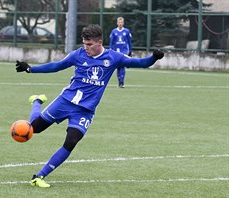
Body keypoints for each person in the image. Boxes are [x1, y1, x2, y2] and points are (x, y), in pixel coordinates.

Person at [15, 24, 164, 188]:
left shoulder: (114, 58)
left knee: (71, 141)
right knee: (34, 129)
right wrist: (31, 69)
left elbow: (140, 63)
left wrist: (153, 58)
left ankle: (39, 176)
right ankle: (37, 101)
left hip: (85, 111)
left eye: (89, 44)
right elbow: (57, 66)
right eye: (84, 44)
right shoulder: (78, 55)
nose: (86, 48)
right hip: (65, 101)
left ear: (99, 42)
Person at [109, 17, 132, 88]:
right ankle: (120, 82)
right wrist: (110, 50)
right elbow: (111, 42)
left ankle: (121, 82)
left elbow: (129, 42)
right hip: (116, 51)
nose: (120, 24)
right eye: (119, 22)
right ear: (117, 23)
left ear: (123, 23)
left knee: (122, 66)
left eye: (121, 22)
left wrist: (130, 50)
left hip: (124, 51)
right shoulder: (114, 31)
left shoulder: (126, 31)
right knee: (119, 67)